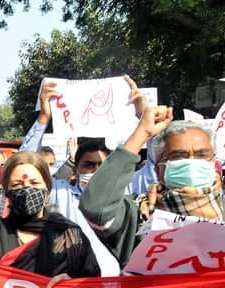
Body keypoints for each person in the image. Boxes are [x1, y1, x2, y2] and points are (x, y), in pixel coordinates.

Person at [0, 113, 100, 278]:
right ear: (7, 191)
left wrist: (70, 285)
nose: (27, 189)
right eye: (17, 185)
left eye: (35, 183)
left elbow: (91, 282)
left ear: (47, 188)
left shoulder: (69, 234)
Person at [79, 105, 220, 266]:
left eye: (202, 155)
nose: (191, 163)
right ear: (158, 169)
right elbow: (96, 207)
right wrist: (143, 133)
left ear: (213, 161)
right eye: (178, 156)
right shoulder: (136, 214)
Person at [48, 141, 120, 276]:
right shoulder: (61, 193)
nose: (97, 171)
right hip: (72, 280)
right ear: (75, 170)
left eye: (102, 165)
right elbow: (25, 161)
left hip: (111, 279)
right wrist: (44, 119)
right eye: (89, 165)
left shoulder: (121, 196)